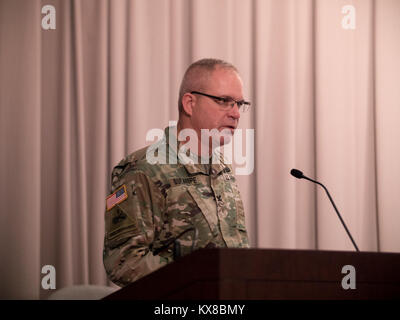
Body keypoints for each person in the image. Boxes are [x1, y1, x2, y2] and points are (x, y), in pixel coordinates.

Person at [103, 58, 251, 287]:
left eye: (239, 104)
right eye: (224, 101)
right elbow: (123, 260)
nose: (236, 113)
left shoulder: (222, 166)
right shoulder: (143, 169)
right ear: (190, 103)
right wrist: (194, 283)